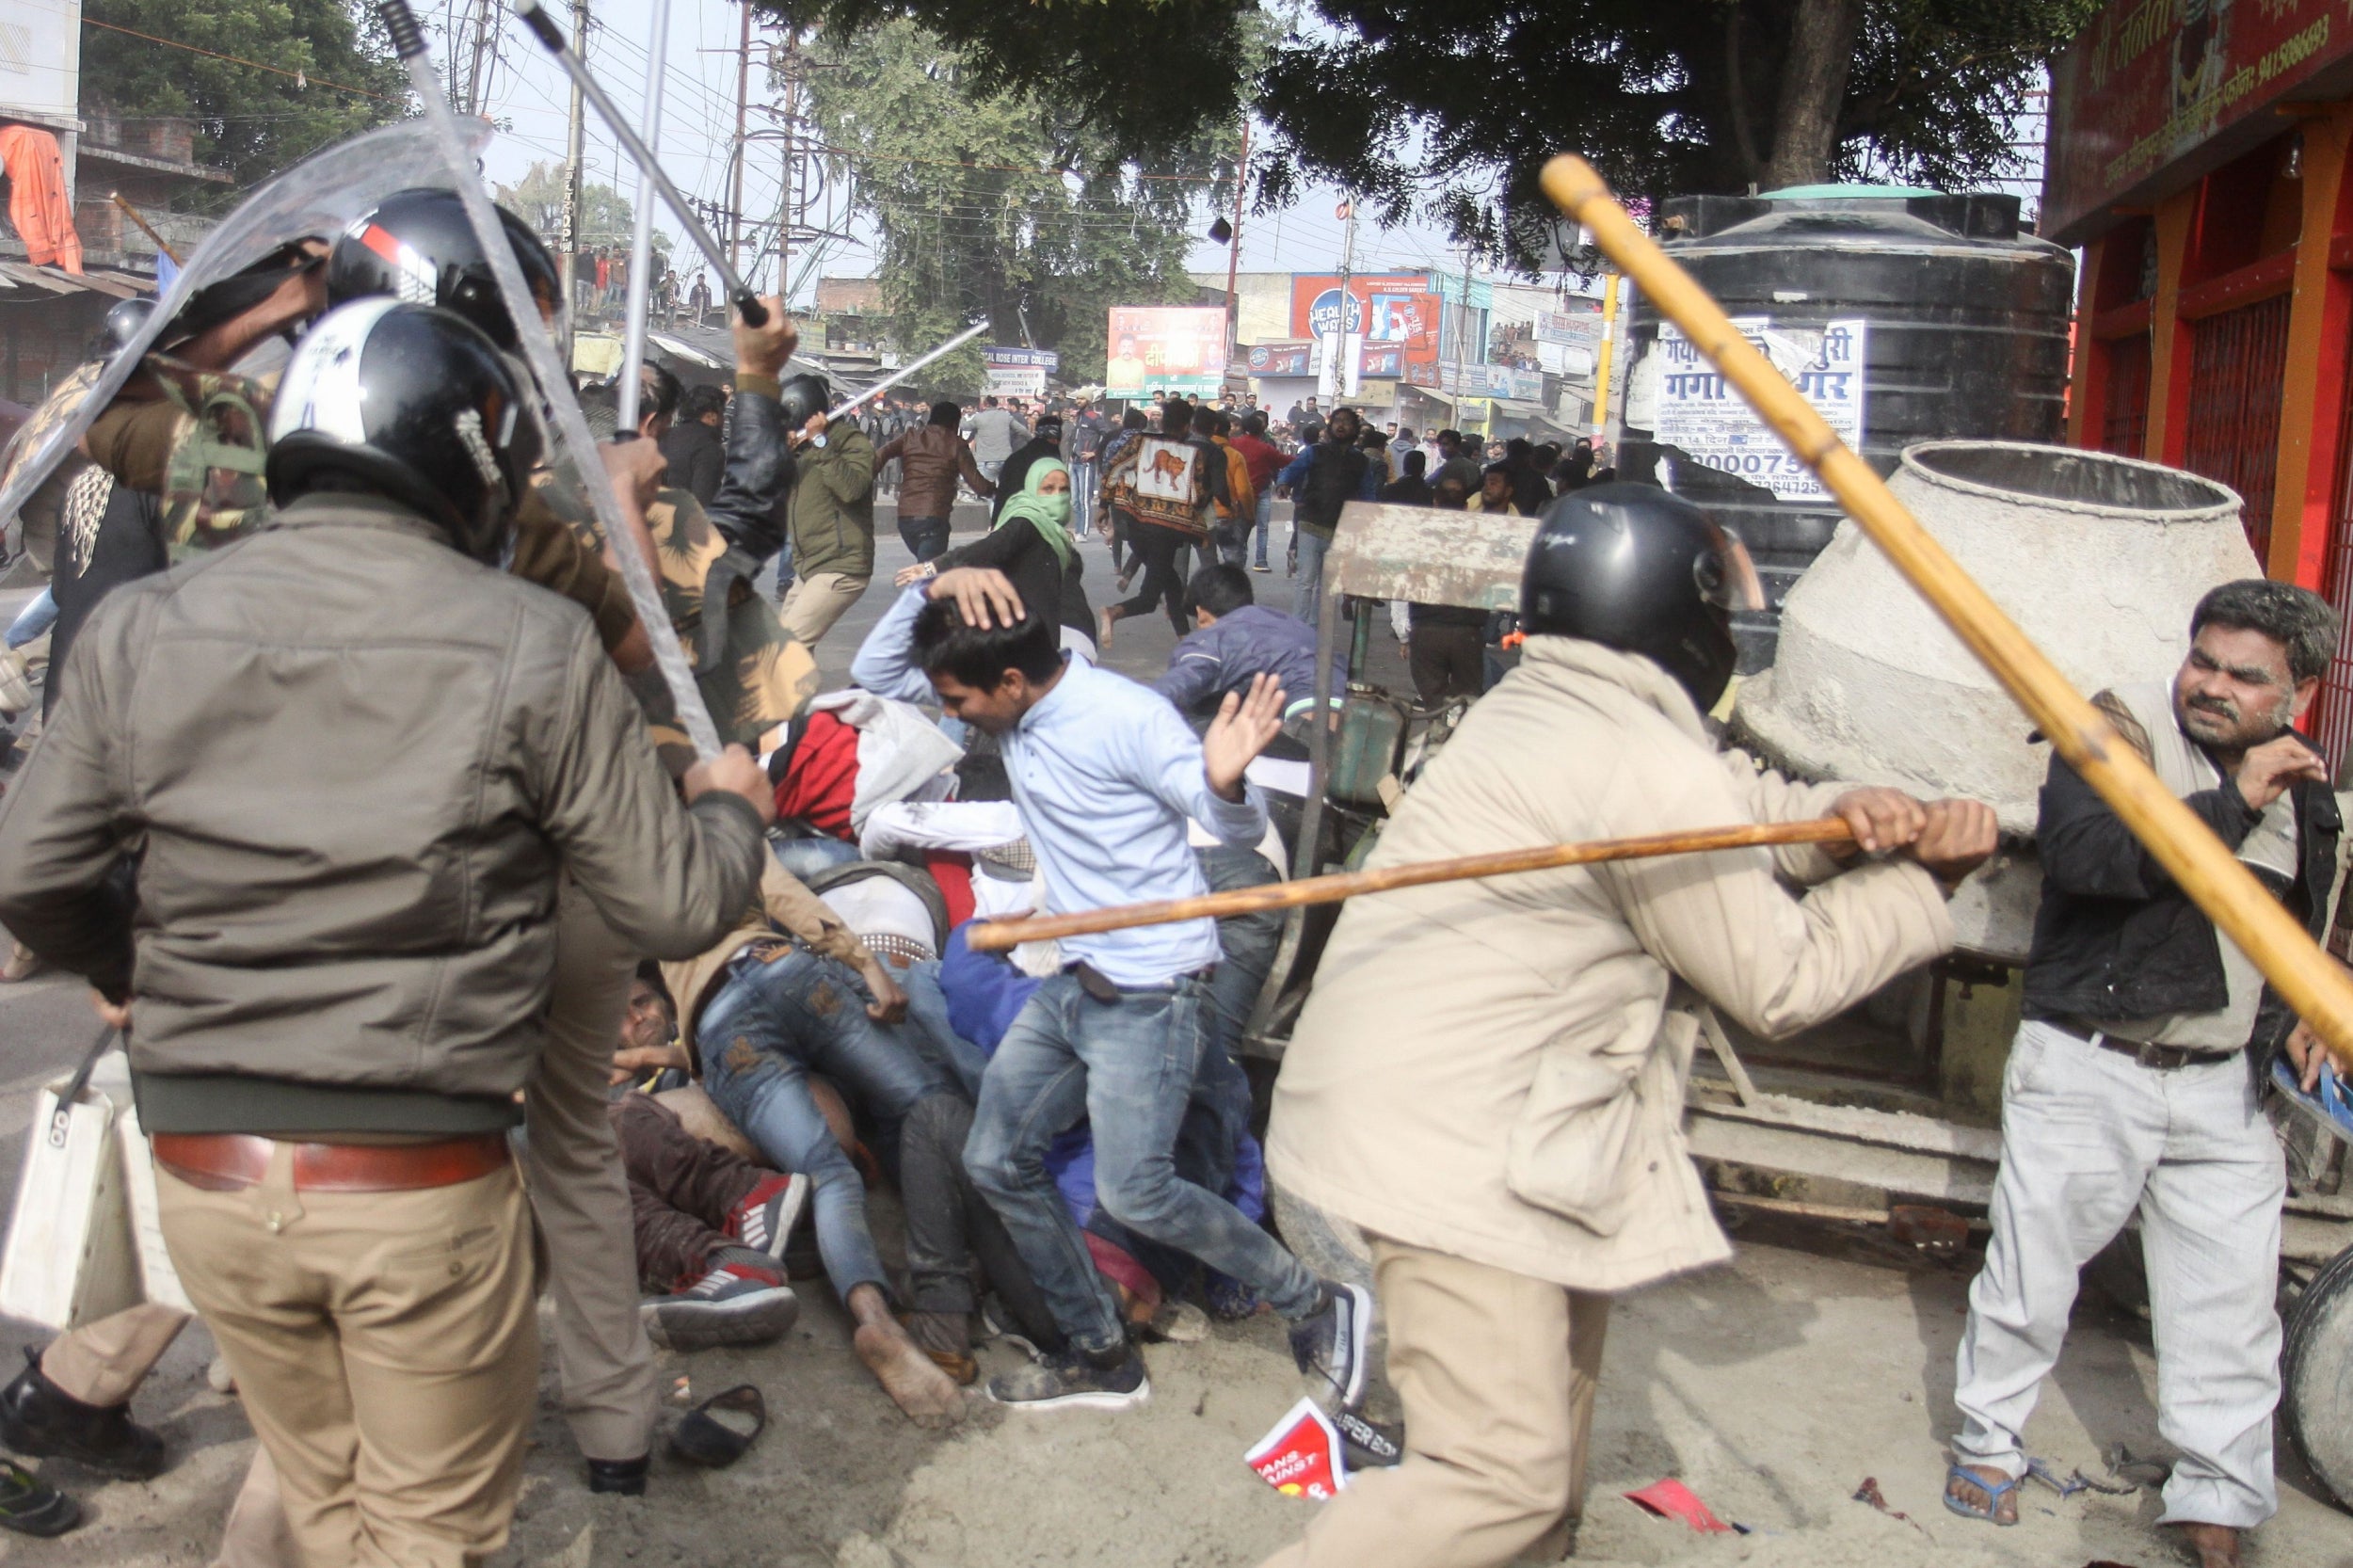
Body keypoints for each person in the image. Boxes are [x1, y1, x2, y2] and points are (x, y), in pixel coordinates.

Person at [0, 300, 775, 1564]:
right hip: (411, 1183)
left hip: (207, 1175)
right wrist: (734, 816)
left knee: (321, 1493)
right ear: (473, 459)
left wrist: (133, 966)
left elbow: (29, 872)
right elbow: (676, 902)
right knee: (425, 1535)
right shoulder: (533, 638)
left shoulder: (149, 624)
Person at [1259, 483, 1996, 1568]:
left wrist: (1841, 821)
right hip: (1459, 1149)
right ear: (1681, 612)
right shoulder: (1633, 755)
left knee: (1551, 1429)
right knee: (1497, 1475)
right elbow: (1779, 979)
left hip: (1484, 1121)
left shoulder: (1552, 703)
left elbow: (1725, 808)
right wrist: (1925, 881)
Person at [860, 570, 1371, 1413]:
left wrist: (1226, 782)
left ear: (1013, 684)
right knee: (995, 1158)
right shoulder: (1002, 698)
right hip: (1074, 986)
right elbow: (880, 676)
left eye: (958, 700)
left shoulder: (1127, 720)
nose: (949, 714)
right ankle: (1101, 1351)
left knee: (1137, 1190)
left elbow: (1229, 825)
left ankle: (1313, 1299)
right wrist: (934, 588)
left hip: (1151, 994)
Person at [1944, 581, 2343, 1568]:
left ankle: (2215, 1492)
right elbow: (2088, 860)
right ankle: (1986, 1443)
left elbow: (2303, 914)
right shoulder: (2111, 734)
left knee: (2229, 1304)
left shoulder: (2305, 791)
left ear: (2293, 694)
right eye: (2201, 659)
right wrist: (2227, 802)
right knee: (2032, 1275)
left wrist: (2297, 1013)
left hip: (2220, 1083)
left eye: (2242, 676)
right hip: (2092, 1061)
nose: (2209, 686)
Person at [659, 854, 971, 1424]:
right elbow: (780, 892)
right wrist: (866, 965)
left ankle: (873, 1319)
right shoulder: (712, 811)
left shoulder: (610, 859)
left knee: (827, 1171)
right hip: (781, 967)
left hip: (720, 1025)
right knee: (926, 1101)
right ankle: (953, 1284)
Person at [904, 457, 1092, 654]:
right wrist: (934, 567)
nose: (1057, 496)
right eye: (1048, 489)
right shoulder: (1028, 522)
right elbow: (988, 548)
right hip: (1023, 637)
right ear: (1032, 488)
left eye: (1064, 490)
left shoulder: (1053, 531)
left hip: (1041, 634)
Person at [1099, 398, 1223, 646]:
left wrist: (1103, 506)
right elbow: (1196, 497)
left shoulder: (1140, 443)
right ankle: (1113, 612)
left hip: (1135, 529)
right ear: (1188, 426)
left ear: (1162, 421)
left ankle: (1185, 639)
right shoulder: (1193, 455)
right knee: (1148, 598)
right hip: (1166, 534)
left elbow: (1112, 469)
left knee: (1173, 585)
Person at [775, 377, 880, 648]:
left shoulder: (849, 441)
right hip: (809, 566)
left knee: (788, 650)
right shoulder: (801, 450)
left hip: (839, 565)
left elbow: (851, 488)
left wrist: (820, 442)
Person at [1157, 563, 1335, 720]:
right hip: (1343, 703)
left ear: (1201, 615)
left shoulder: (1214, 639)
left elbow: (1174, 688)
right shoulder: (1294, 626)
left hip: (1304, 726)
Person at [1273, 407, 1378, 628]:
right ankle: (1298, 627)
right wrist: (1284, 483)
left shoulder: (1360, 461)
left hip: (1340, 528)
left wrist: (1369, 521)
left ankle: (1315, 628)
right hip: (1310, 523)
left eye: (1347, 422)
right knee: (1306, 581)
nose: (1341, 425)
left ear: (1355, 429)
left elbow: (1368, 493)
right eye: (1337, 421)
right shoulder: (1315, 452)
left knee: (1326, 583)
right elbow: (1293, 469)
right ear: (1330, 427)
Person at [878, 400, 995, 564]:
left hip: (905, 517)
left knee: (926, 571)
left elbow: (881, 454)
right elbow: (979, 485)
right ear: (955, 423)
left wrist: (863, 479)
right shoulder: (956, 444)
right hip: (934, 517)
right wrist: (996, 490)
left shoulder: (911, 437)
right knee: (929, 577)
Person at [1403, 474, 1485, 704]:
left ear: (1435, 502)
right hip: (1468, 630)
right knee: (1466, 699)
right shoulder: (1480, 536)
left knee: (1433, 700)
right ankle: (1457, 733)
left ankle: (1438, 731)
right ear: (1467, 505)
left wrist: (1402, 633)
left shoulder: (1419, 535)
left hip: (1426, 627)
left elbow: (1403, 582)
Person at [1227, 411, 1284, 573]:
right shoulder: (1237, 444)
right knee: (1244, 527)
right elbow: (1280, 461)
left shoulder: (1268, 443)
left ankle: (1260, 560)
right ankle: (1241, 559)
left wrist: (1279, 481)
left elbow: (1274, 464)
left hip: (1262, 489)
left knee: (1261, 527)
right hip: (1246, 491)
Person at [662, 383, 728, 504]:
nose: (723, 420)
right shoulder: (710, 449)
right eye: (722, 414)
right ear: (712, 416)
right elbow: (702, 503)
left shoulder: (665, 436)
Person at [992, 413, 1065, 520]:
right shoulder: (1051, 461)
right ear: (1055, 439)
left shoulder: (1015, 458)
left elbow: (1002, 493)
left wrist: (995, 522)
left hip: (1010, 519)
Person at [968, 394, 1029, 483]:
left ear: (1012, 406)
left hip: (1002, 454)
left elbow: (1017, 434)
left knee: (987, 488)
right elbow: (1024, 432)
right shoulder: (1017, 417)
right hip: (1008, 455)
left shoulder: (1013, 417)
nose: (1007, 408)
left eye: (1008, 405)